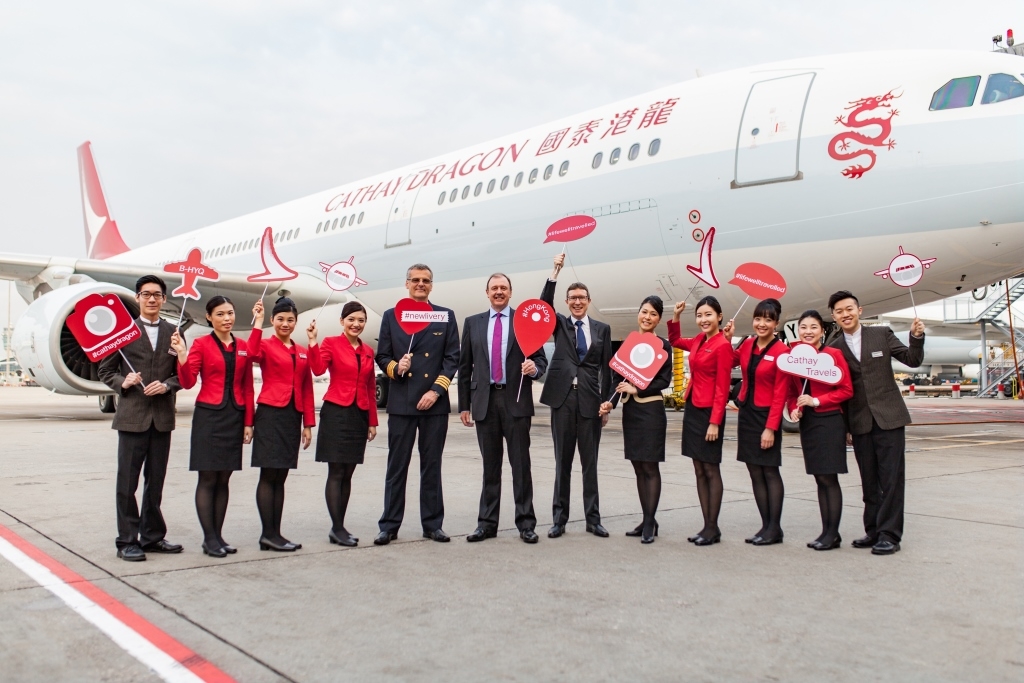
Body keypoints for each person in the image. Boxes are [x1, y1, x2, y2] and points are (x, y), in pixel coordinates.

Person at [828, 290, 925, 556]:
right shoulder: (835, 348)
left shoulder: (881, 334)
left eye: (849, 309)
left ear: (860, 310)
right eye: (839, 311)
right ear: (834, 316)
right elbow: (840, 389)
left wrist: (916, 337)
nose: (845, 314)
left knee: (891, 480)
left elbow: (912, 360)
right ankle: (872, 531)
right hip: (860, 421)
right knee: (869, 481)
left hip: (889, 417)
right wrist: (846, 427)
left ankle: (890, 535)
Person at [97, 275, 184, 562]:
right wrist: (123, 382)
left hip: (162, 418)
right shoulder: (122, 333)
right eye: (146, 294)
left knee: (155, 482)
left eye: (157, 294)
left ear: (164, 299)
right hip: (132, 417)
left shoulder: (174, 333)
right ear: (137, 298)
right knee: (127, 484)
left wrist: (168, 385)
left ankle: (152, 537)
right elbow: (105, 371)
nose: (151, 299)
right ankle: (126, 541)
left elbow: (182, 374)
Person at [458, 273, 548, 544]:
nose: (499, 292)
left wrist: (534, 369)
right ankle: (486, 524)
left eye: (503, 288)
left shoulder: (523, 321)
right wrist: (464, 405)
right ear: (487, 293)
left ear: (511, 292)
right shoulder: (473, 323)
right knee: (490, 467)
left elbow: (541, 360)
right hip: (484, 402)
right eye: (494, 288)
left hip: (516, 401)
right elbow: (465, 367)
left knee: (521, 466)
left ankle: (526, 524)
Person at [374, 264, 460, 545]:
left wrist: (436, 391)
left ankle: (433, 525)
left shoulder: (445, 316)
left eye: (426, 280)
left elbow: (452, 358)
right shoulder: (391, 316)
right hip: (402, 402)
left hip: (434, 404)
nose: (420, 284)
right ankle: (389, 525)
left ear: (431, 285)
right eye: (415, 280)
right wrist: (396, 367)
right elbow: (382, 356)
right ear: (407, 283)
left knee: (431, 466)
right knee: (396, 467)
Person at [171, 296, 254, 558]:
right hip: (208, 417)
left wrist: (248, 422)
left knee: (224, 478)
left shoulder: (242, 347)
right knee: (208, 478)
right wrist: (181, 355)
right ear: (209, 317)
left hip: (234, 416)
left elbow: (247, 387)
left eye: (230, 313)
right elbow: (187, 382)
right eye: (220, 314)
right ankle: (209, 539)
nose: (227, 318)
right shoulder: (201, 344)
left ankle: (218, 536)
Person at [539, 253, 613, 539]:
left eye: (582, 297)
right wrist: (554, 274)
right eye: (573, 298)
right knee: (563, 463)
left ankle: (593, 520)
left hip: (591, 402)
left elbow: (607, 369)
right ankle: (559, 520)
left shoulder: (602, 329)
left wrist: (607, 403)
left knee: (590, 464)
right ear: (567, 301)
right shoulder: (559, 324)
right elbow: (544, 307)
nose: (578, 302)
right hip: (562, 400)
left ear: (589, 301)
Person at [599, 295, 672, 544]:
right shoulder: (628, 344)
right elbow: (617, 380)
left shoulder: (663, 346)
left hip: (651, 411)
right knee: (638, 466)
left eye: (653, 314)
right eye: (644, 312)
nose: (647, 317)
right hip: (631, 412)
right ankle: (647, 518)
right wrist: (611, 402)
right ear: (638, 313)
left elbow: (664, 380)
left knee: (650, 466)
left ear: (658, 319)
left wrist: (638, 388)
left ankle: (650, 522)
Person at [306, 302, 378, 547]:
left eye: (361, 320)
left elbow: (370, 386)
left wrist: (372, 421)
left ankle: (340, 526)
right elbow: (317, 369)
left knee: (348, 473)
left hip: (359, 414)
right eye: (351, 320)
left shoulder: (368, 350)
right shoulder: (331, 343)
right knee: (336, 471)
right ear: (342, 321)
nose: (356, 324)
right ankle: (337, 528)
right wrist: (313, 342)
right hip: (337, 412)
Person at [248, 297, 315, 552]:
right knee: (269, 474)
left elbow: (307, 388)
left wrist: (308, 423)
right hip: (270, 413)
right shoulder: (265, 345)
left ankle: (275, 533)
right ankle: (268, 534)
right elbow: (251, 354)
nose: (285, 324)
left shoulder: (301, 351)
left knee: (281, 476)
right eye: (280, 319)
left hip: (291, 416)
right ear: (272, 320)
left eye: (290, 320)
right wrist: (258, 323)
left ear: (296, 322)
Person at [786, 310, 854, 551]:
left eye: (813, 327)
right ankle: (827, 531)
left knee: (828, 477)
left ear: (822, 331)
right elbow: (793, 393)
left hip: (829, 420)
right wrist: (794, 409)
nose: (808, 332)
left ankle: (832, 534)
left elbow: (846, 389)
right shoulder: (795, 357)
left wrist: (816, 401)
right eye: (803, 327)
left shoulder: (833, 354)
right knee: (819, 477)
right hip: (809, 423)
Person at [668, 296, 733, 546]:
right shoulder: (698, 340)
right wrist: (676, 316)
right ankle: (706, 525)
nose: (703, 319)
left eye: (708, 315)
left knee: (711, 468)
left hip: (709, 413)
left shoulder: (722, 345)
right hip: (694, 408)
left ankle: (713, 527)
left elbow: (723, 387)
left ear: (719, 317)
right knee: (698, 468)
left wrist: (715, 421)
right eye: (699, 315)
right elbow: (675, 341)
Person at [731, 298, 790, 546]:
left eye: (767, 319)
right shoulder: (747, 345)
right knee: (754, 470)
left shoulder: (782, 352)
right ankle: (765, 526)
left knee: (769, 470)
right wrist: (726, 338)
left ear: (776, 323)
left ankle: (775, 528)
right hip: (747, 413)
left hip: (766, 416)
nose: (761, 324)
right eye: (758, 318)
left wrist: (771, 428)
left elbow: (780, 394)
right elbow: (727, 360)